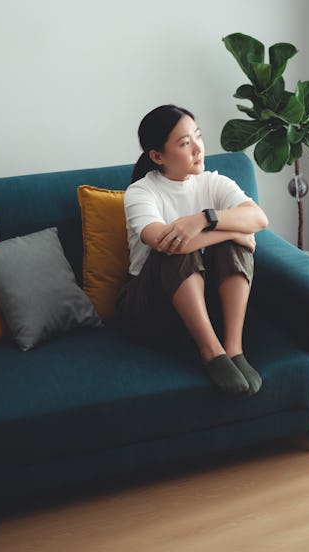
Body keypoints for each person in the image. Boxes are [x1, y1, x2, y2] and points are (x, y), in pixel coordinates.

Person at [116, 105, 269, 395]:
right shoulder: (141, 192)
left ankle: (233, 349)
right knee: (178, 250)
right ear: (157, 156)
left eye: (197, 136)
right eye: (185, 143)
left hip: (202, 301)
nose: (198, 148)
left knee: (230, 248)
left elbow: (259, 219)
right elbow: (166, 244)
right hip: (148, 309)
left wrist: (203, 219)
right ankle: (211, 352)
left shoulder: (213, 183)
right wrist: (235, 232)